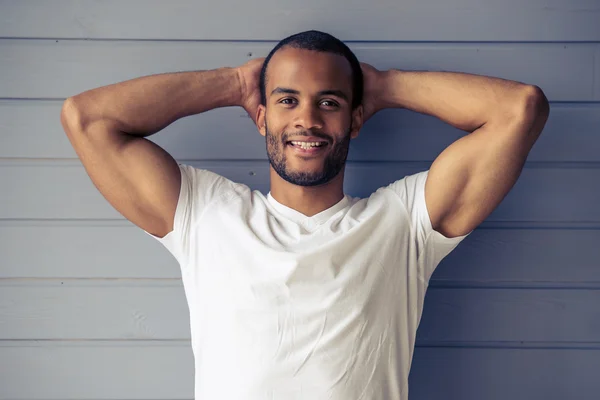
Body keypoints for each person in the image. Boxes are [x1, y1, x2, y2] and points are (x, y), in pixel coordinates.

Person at [60, 30, 549, 400]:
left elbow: (520, 109)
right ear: (262, 116)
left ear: (355, 118)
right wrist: (234, 82)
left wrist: (379, 84)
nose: (307, 120)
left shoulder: (402, 225)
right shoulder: (205, 214)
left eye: (330, 102)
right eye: (287, 100)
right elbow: (87, 119)